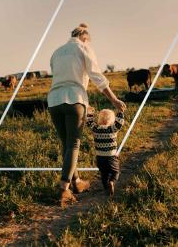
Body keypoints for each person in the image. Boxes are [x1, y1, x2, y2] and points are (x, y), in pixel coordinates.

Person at [47, 22, 126, 206]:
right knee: (74, 144)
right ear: (85, 38)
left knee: (66, 144)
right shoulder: (84, 48)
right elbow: (96, 76)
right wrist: (114, 100)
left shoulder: (56, 52)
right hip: (75, 98)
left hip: (54, 101)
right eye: (89, 41)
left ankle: (76, 182)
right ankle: (63, 190)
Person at [86, 107, 125, 197]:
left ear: (99, 119)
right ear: (112, 120)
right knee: (116, 172)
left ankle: (106, 188)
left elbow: (89, 122)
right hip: (111, 156)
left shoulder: (96, 129)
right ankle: (112, 182)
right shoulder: (112, 129)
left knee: (104, 173)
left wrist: (90, 113)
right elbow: (120, 123)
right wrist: (120, 112)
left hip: (100, 157)